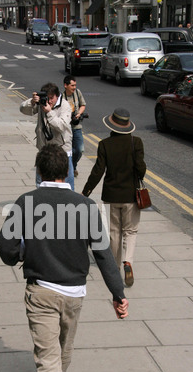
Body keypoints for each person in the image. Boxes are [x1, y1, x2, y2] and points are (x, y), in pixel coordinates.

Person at [0, 143, 129, 372]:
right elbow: (104, 255)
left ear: (39, 171)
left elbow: (6, 248)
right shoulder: (84, 206)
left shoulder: (26, 202)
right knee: (61, 352)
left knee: (48, 361)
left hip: (41, 291)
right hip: (74, 295)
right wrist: (118, 294)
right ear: (66, 172)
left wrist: (20, 254)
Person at [82, 108, 146, 287]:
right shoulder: (137, 143)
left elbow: (98, 171)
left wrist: (86, 192)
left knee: (114, 232)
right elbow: (141, 169)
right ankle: (128, 262)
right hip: (130, 196)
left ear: (111, 125)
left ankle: (115, 267)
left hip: (110, 195)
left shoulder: (104, 144)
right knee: (130, 231)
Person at [20, 82, 74, 190]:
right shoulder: (42, 103)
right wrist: (32, 102)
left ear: (57, 96)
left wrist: (49, 112)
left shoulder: (64, 105)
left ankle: (67, 205)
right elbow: (23, 110)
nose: (49, 101)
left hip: (62, 151)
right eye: (47, 98)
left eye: (51, 98)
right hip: (45, 150)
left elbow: (61, 126)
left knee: (66, 184)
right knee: (41, 184)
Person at [63, 75, 86, 177]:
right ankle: (69, 168)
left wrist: (79, 114)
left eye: (75, 85)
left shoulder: (77, 93)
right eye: (72, 85)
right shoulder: (61, 98)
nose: (74, 87)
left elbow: (83, 105)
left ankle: (73, 165)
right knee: (68, 150)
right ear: (65, 85)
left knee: (79, 149)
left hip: (76, 127)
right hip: (66, 128)